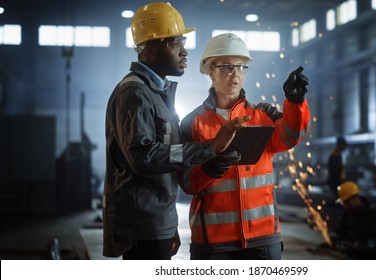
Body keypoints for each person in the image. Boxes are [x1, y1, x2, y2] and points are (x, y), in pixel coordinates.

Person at [103, 3, 249, 260]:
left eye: (183, 43)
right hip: (142, 226)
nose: (184, 52)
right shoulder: (134, 93)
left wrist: (168, 224)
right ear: (149, 49)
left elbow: (166, 161)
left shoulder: (155, 93)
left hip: (156, 220)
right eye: (174, 44)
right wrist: (210, 148)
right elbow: (144, 158)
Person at [180, 33, 311, 260]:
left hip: (262, 238)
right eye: (226, 66)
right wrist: (211, 168)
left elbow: (291, 136)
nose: (235, 73)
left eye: (241, 66)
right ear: (210, 71)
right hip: (213, 243)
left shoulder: (263, 115)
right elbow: (186, 182)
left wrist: (295, 101)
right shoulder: (192, 123)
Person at [331, 181, 376, 259]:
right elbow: (341, 230)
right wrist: (332, 241)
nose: (345, 206)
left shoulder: (373, 212)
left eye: (346, 203)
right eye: (344, 203)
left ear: (355, 198)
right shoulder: (349, 211)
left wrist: (359, 245)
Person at [327, 136, 348, 202]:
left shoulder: (337, 155)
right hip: (334, 181)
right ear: (340, 145)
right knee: (337, 198)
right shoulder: (334, 156)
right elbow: (334, 171)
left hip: (336, 180)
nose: (344, 147)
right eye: (343, 145)